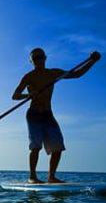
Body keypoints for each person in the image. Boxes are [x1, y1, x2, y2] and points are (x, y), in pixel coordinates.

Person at [12, 49, 100, 183]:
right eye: (35, 58)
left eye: (41, 57)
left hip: (48, 114)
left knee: (57, 147)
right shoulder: (28, 77)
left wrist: (92, 61)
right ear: (32, 61)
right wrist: (28, 95)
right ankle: (32, 177)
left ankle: (51, 177)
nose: (39, 60)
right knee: (36, 147)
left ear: (45, 58)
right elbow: (15, 96)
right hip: (34, 114)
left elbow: (76, 74)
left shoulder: (53, 73)